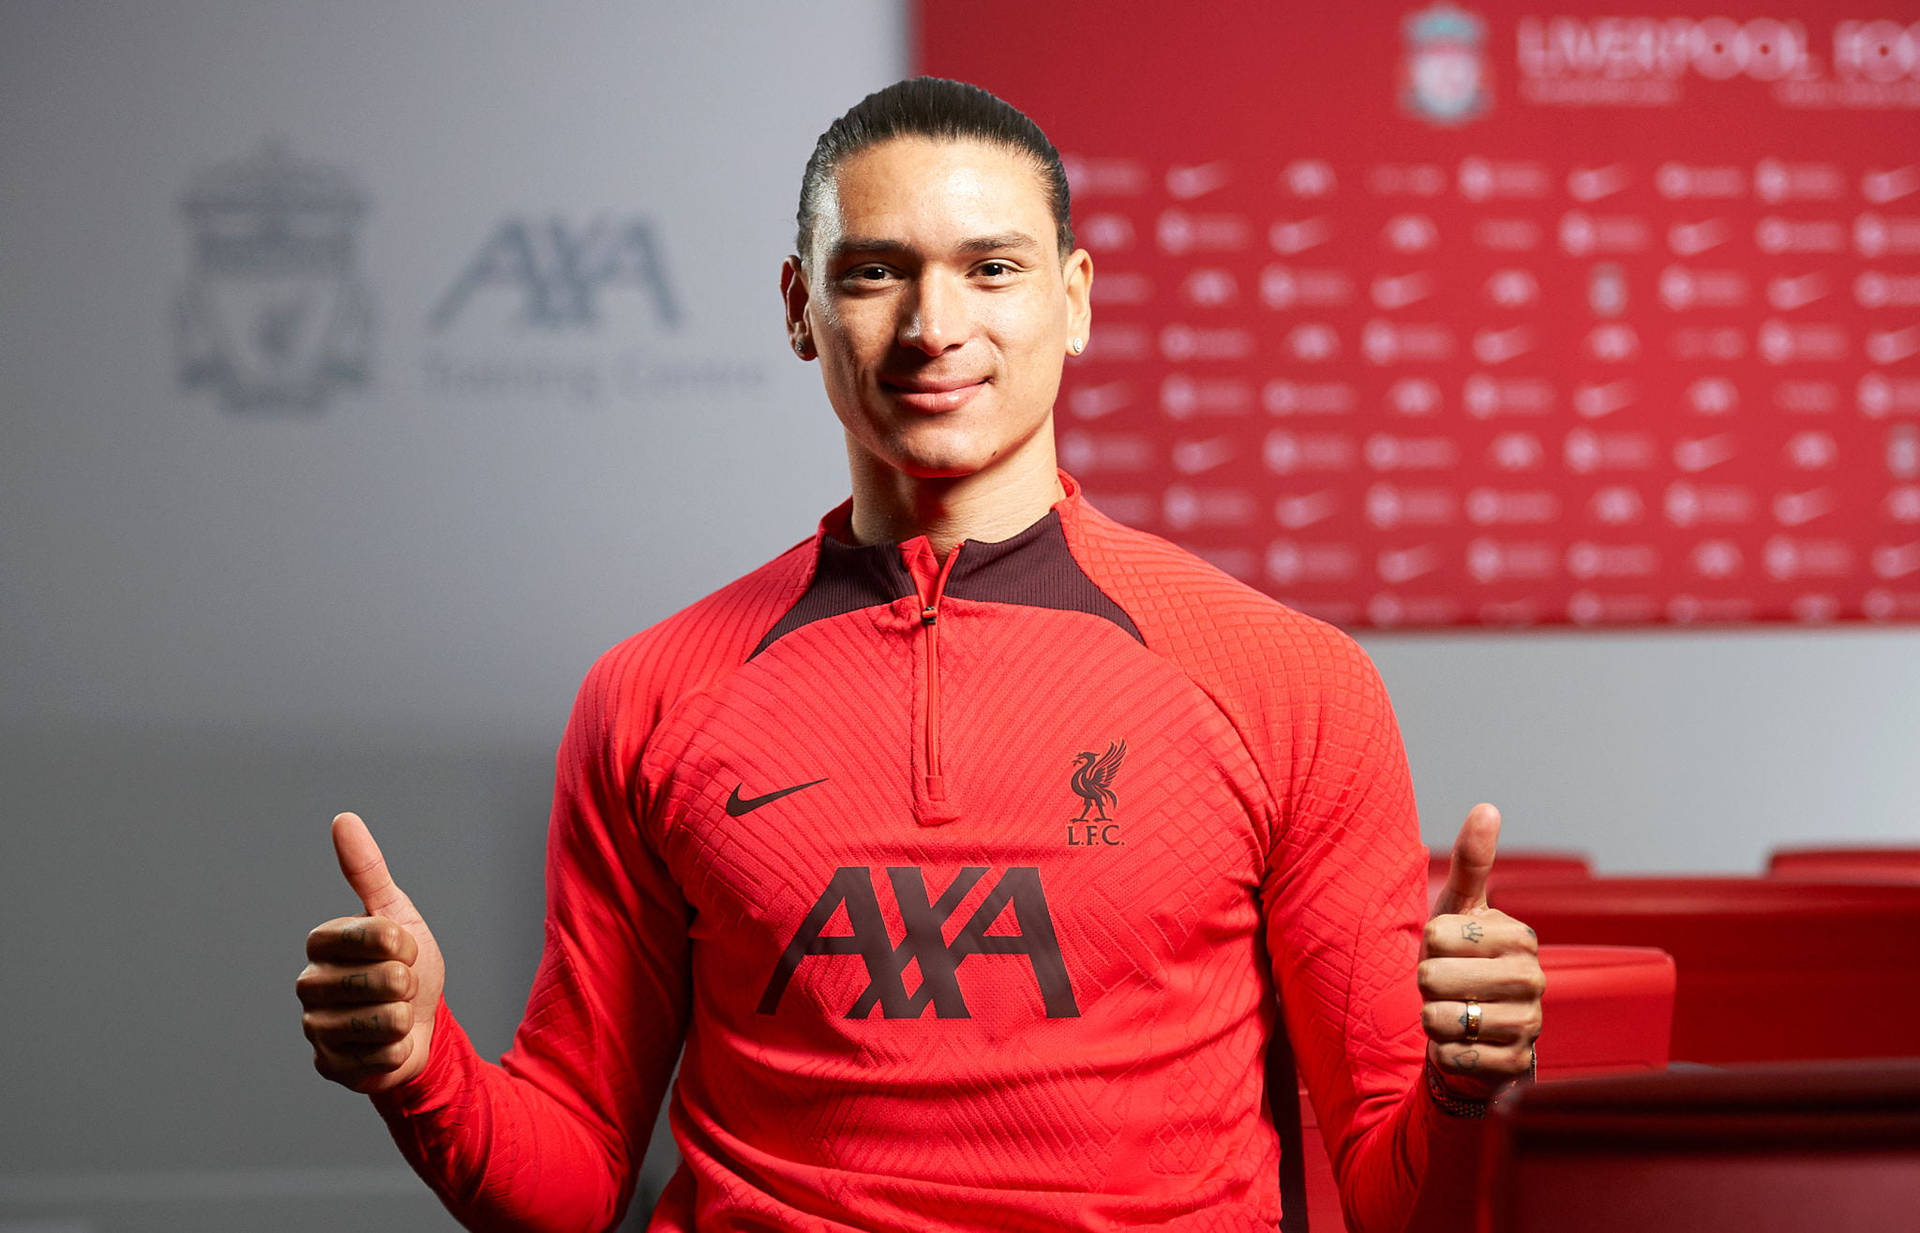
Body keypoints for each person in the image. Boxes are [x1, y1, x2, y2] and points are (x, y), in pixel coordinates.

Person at [297, 77, 1545, 1233]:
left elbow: (1395, 1196)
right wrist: (421, 1068)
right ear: (801, 308)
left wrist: (1464, 1085)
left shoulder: (1287, 683)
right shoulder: (653, 696)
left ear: (1075, 295)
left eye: (991, 268)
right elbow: (569, 1176)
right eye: (877, 272)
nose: (933, 326)